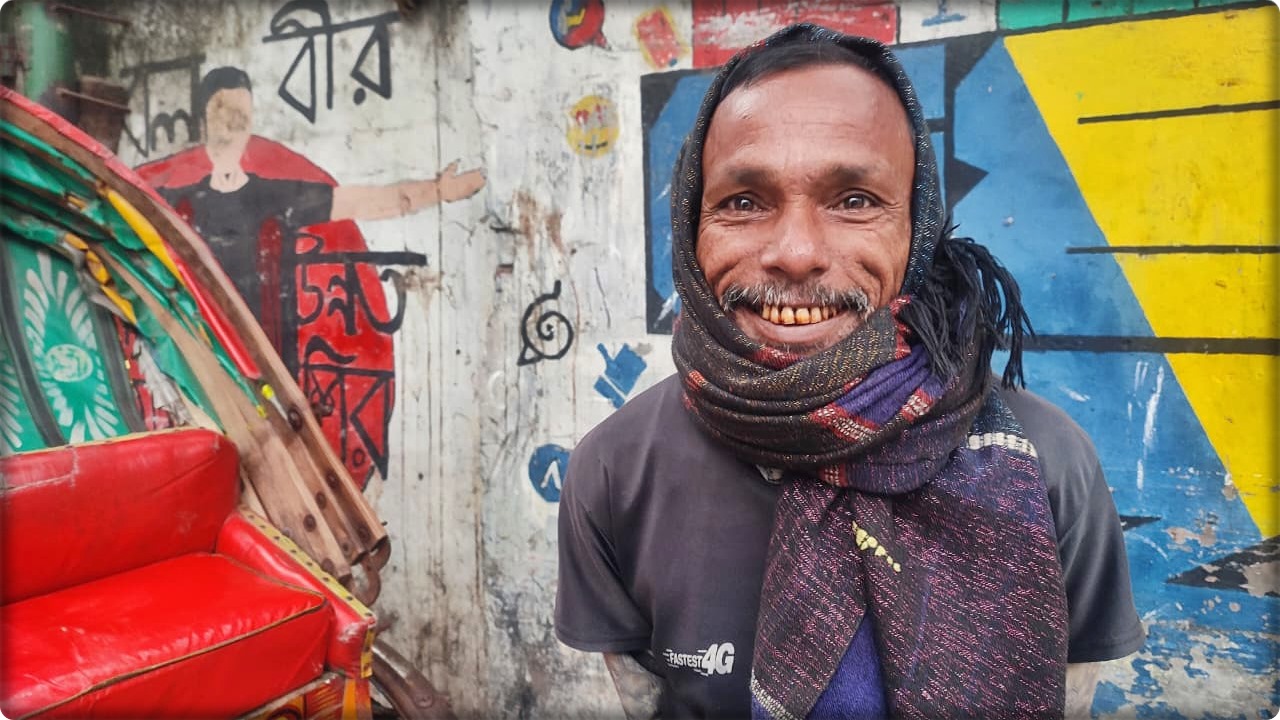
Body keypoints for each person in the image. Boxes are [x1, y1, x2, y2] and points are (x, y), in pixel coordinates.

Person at [555, 24, 1144, 720]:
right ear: (691, 229)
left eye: (855, 200)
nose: (796, 252)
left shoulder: (1046, 466)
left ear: (917, 229)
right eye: (743, 202)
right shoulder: (615, 472)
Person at [141, 66, 485, 336]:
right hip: (203, 365)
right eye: (223, 116)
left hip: (270, 371)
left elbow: (362, 202)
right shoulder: (178, 205)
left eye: (241, 117)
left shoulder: (274, 198)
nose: (233, 127)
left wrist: (437, 191)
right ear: (203, 125)